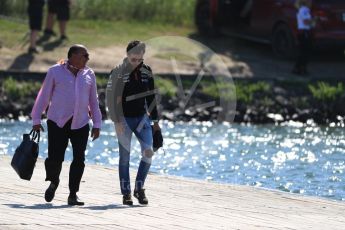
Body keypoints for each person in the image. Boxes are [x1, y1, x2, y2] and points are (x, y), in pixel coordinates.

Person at [31, 44, 102, 206]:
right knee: (55, 158)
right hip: (57, 121)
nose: (87, 59)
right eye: (85, 55)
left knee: (79, 159)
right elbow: (44, 96)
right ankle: (54, 182)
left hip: (81, 123)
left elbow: (93, 101)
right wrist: (36, 119)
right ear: (74, 56)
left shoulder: (89, 74)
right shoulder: (55, 71)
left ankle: (73, 194)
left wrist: (97, 123)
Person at [106, 40, 160, 205]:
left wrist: (155, 122)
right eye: (133, 59)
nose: (136, 62)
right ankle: (126, 193)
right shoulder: (117, 72)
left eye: (139, 59)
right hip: (123, 119)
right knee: (124, 157)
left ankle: (139, 188)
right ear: (127, 55)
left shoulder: (146, 71)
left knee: (148, 152)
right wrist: (116, 121)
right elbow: (109, 97)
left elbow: (151, 98)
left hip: (142, 118)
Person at [292, 0, 314, 75]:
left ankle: (300, 68)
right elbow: (306, 22)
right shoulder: (303, 10)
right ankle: (300, 68)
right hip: (303, 33)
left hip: (305, 32)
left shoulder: (306, 10)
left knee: (304, 51)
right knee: (304, 52)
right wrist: (314, 21)